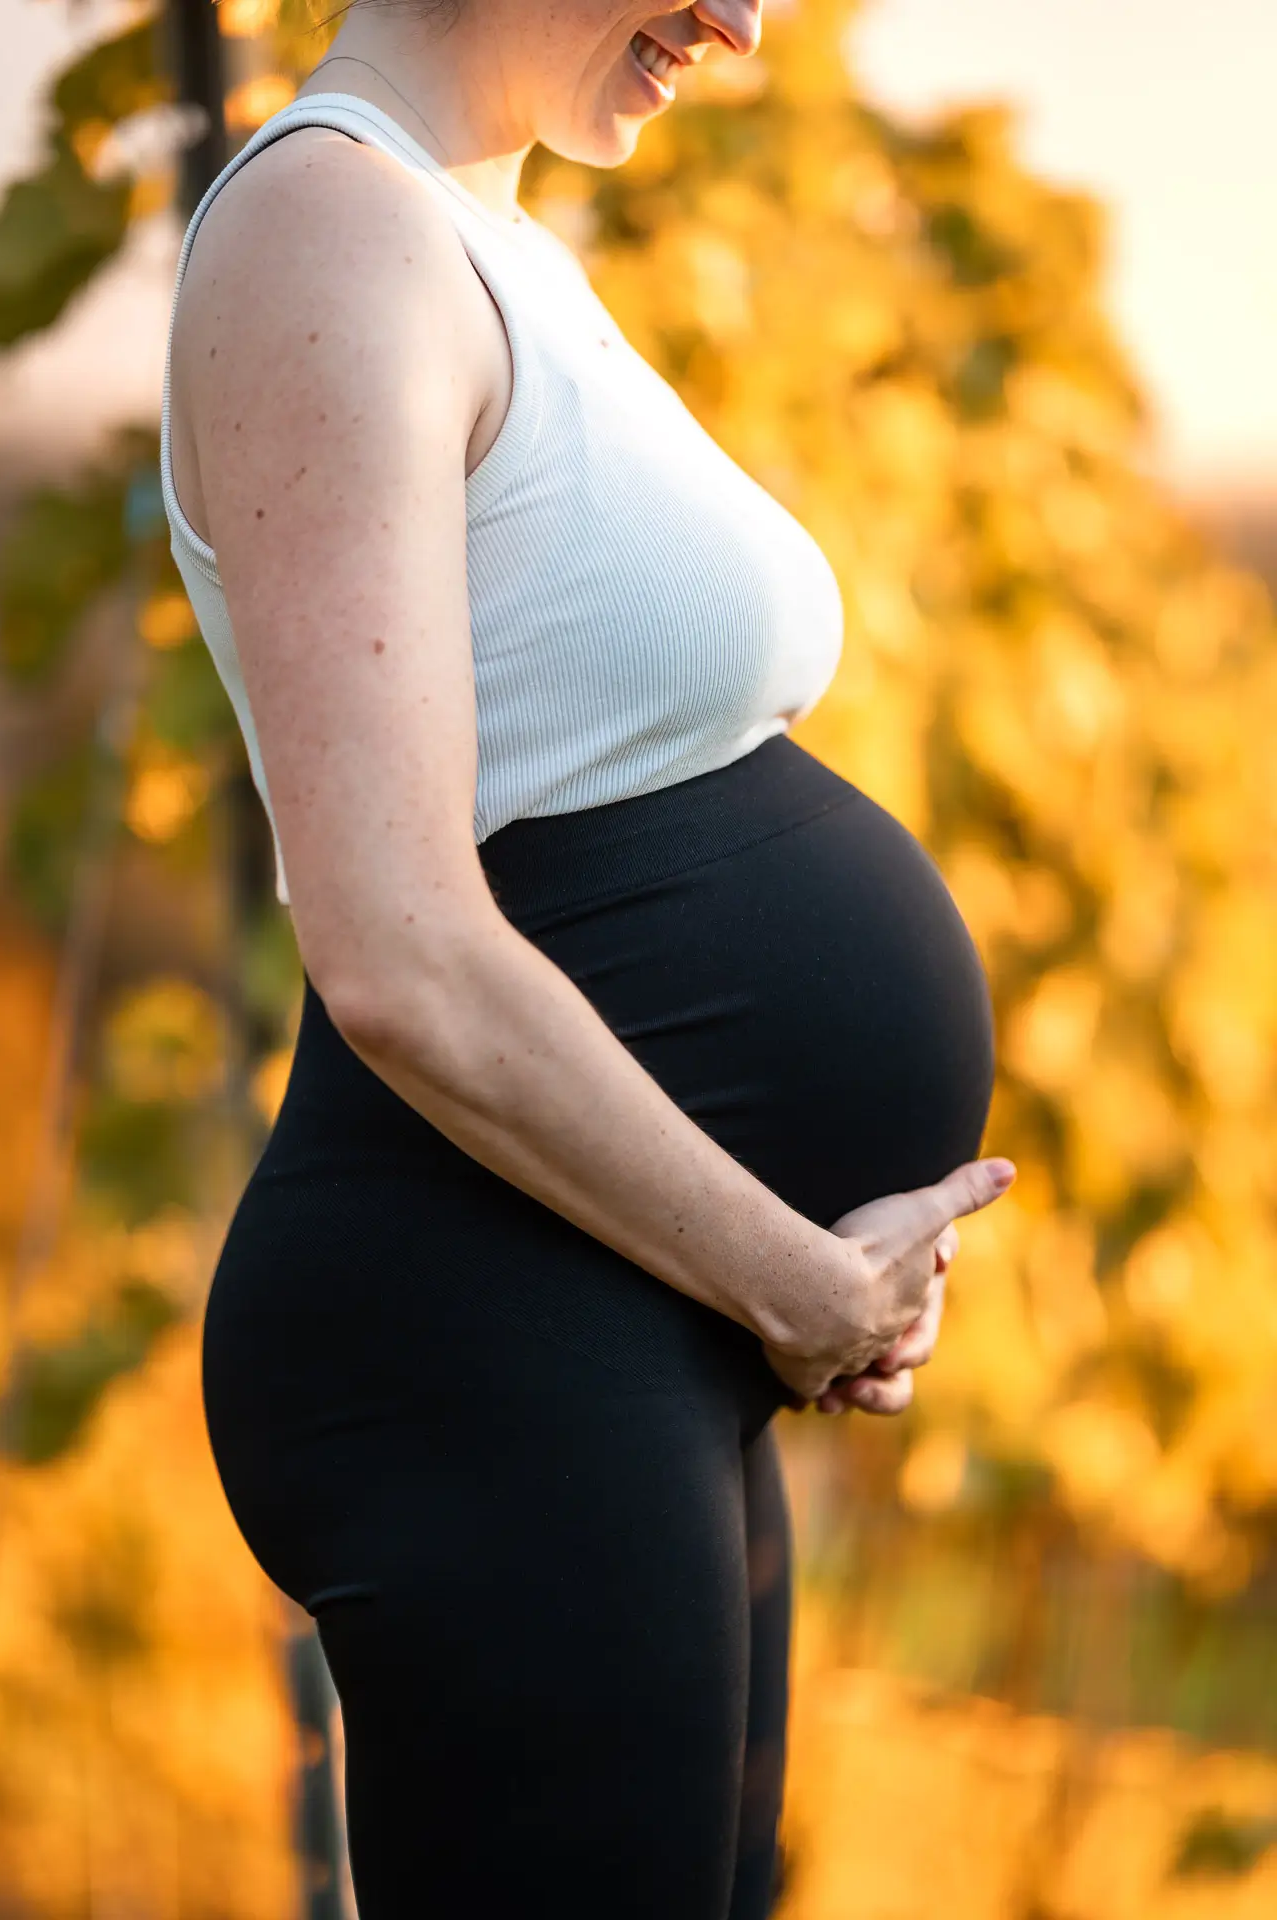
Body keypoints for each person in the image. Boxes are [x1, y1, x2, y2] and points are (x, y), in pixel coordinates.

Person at [159, 0, 1017, 1912]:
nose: (741, 21)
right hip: (491, 1345)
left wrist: (796, 1280)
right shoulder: (331, 235)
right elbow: (394, 947)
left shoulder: (473, 231)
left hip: (628, 1324)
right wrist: (797, 1275)